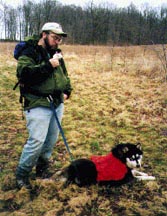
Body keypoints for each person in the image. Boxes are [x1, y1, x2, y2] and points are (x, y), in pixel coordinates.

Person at [15, 22, 73, 189]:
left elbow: (64, 75)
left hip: (56, 103)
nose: (57, 42)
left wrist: (67, 91)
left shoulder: (56, 53)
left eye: (60, 39)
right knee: (37, 141)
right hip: (38, 102)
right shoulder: (29, 51)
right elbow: (24, 74)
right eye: (55, 38)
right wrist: (48, 65)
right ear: (44, 35)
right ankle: (22, 175)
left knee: (50, 141)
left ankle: (42, 170)